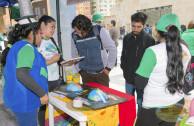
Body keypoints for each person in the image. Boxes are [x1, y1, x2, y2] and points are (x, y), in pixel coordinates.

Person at [135, 13, 191, 126]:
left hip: (153, 107)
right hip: (176, 102)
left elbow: (140, 83)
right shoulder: (185, 49)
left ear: (157, 32)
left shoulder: (152, 52)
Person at [1, 17, 49, 126]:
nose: (42, 36)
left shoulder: (17, 46)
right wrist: (42, 93)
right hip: (24, 100)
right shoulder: (27, 47)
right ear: (32, 33)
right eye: (40, 33)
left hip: (18, 98)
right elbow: (21, 74)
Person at [37, 15, 77, 126]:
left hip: (55, 80)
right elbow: (36, 65)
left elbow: (59, 60)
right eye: (52, 27)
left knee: (55, 105)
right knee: (43, 107)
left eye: (55, 27)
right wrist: (52, 60)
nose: (53, 30)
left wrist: (68, 63)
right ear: (42, 25)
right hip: (43, 81)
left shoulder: (53, 41)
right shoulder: (36, 42)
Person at [120, 12, 155, 114]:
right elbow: (123, 55)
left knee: (141, 103)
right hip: (129, 77)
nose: (135, 29)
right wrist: (124, 68)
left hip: (142, 78)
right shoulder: (126, 38)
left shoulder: (149, 39)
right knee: (129, 102)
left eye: (138, 27)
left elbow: (151, 61)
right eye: (133, 26)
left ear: (144, 26)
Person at [71, 14, 117, 87]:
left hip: (101, 74)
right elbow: (74, 54)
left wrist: (108, 68)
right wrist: (79, 70)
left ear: (87, 28)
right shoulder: (74, 35)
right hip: (85, 75)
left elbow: (112, 48)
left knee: (103, 97)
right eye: (77, 32)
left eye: (81, 32)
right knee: (87, 97)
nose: (79, 35)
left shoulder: (98, 30)